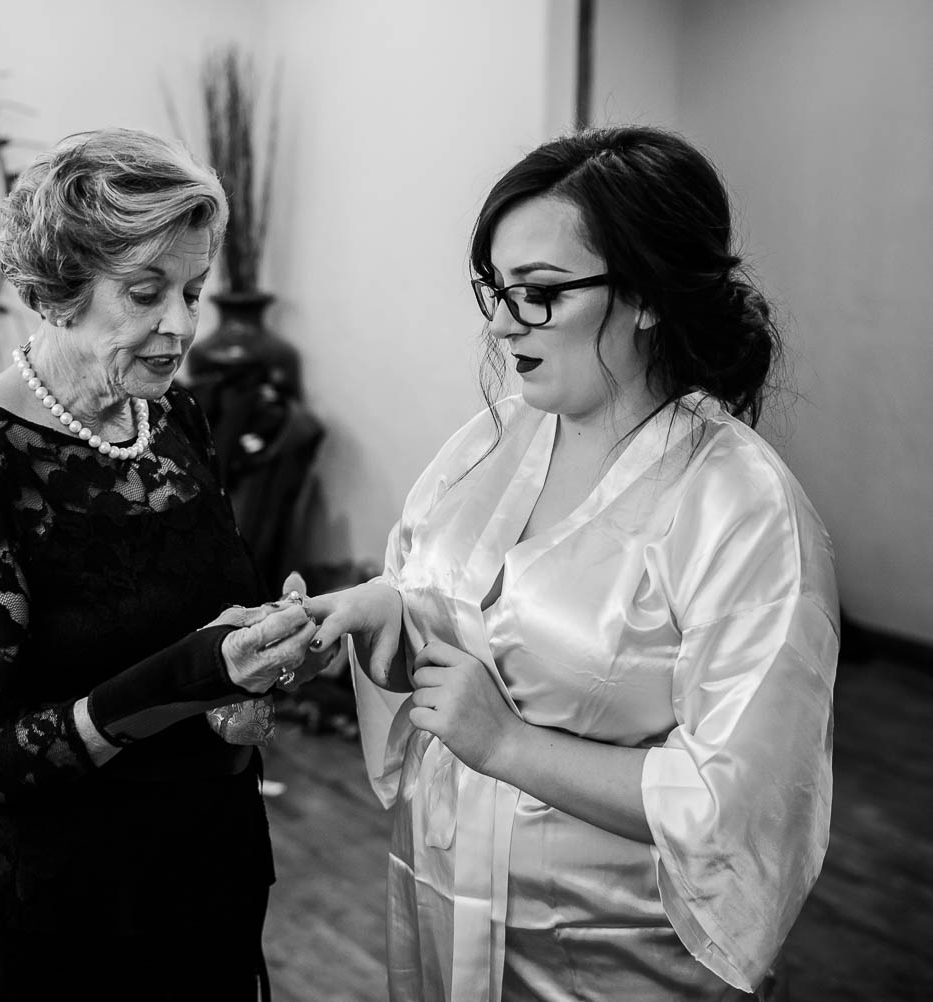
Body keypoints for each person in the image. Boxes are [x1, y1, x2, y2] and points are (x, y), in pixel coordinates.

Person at [308, 126, 837, 1001]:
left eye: (541, 294)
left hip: (602, 953)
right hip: (444, 901)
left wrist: (507, 743)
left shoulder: (740, 507)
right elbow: (440, 602)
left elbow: (736, 800)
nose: (502, 321)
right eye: (497, 289)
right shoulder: (489, 443)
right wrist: (378, 613)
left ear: (646, 296)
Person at [0, 128, 331, 1001]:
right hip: (67, 904)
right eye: (145, 292)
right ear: (60, 291)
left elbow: (203, 623)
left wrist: (248, 678)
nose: (180, 325)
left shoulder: (177, 420)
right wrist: (192, 672)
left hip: (208, 867)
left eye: (193, 290)